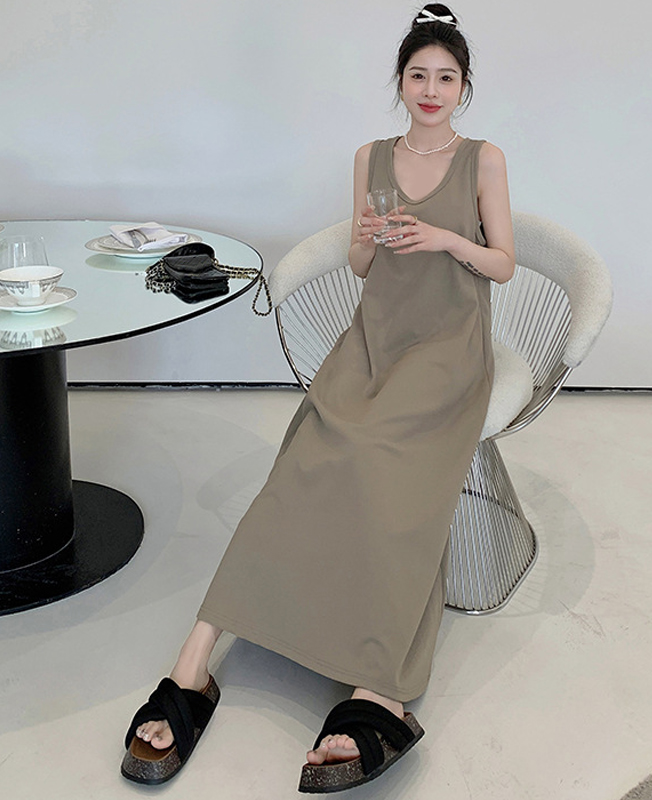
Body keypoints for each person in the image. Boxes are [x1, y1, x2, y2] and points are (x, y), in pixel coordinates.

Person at [121, 3, 514, 792]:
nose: (430, 89)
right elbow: (363, 266)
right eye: (418, 75)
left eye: (446, 78)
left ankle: (376, 685)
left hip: (446, 347)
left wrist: (445, 238)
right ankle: (193, 665)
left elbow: (502, 263)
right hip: (375, 339)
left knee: (374, 457)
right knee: (306, 457)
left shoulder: (484, 159)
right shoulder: (371, 156)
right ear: (399, 82)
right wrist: (369, 236)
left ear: (464, 87)